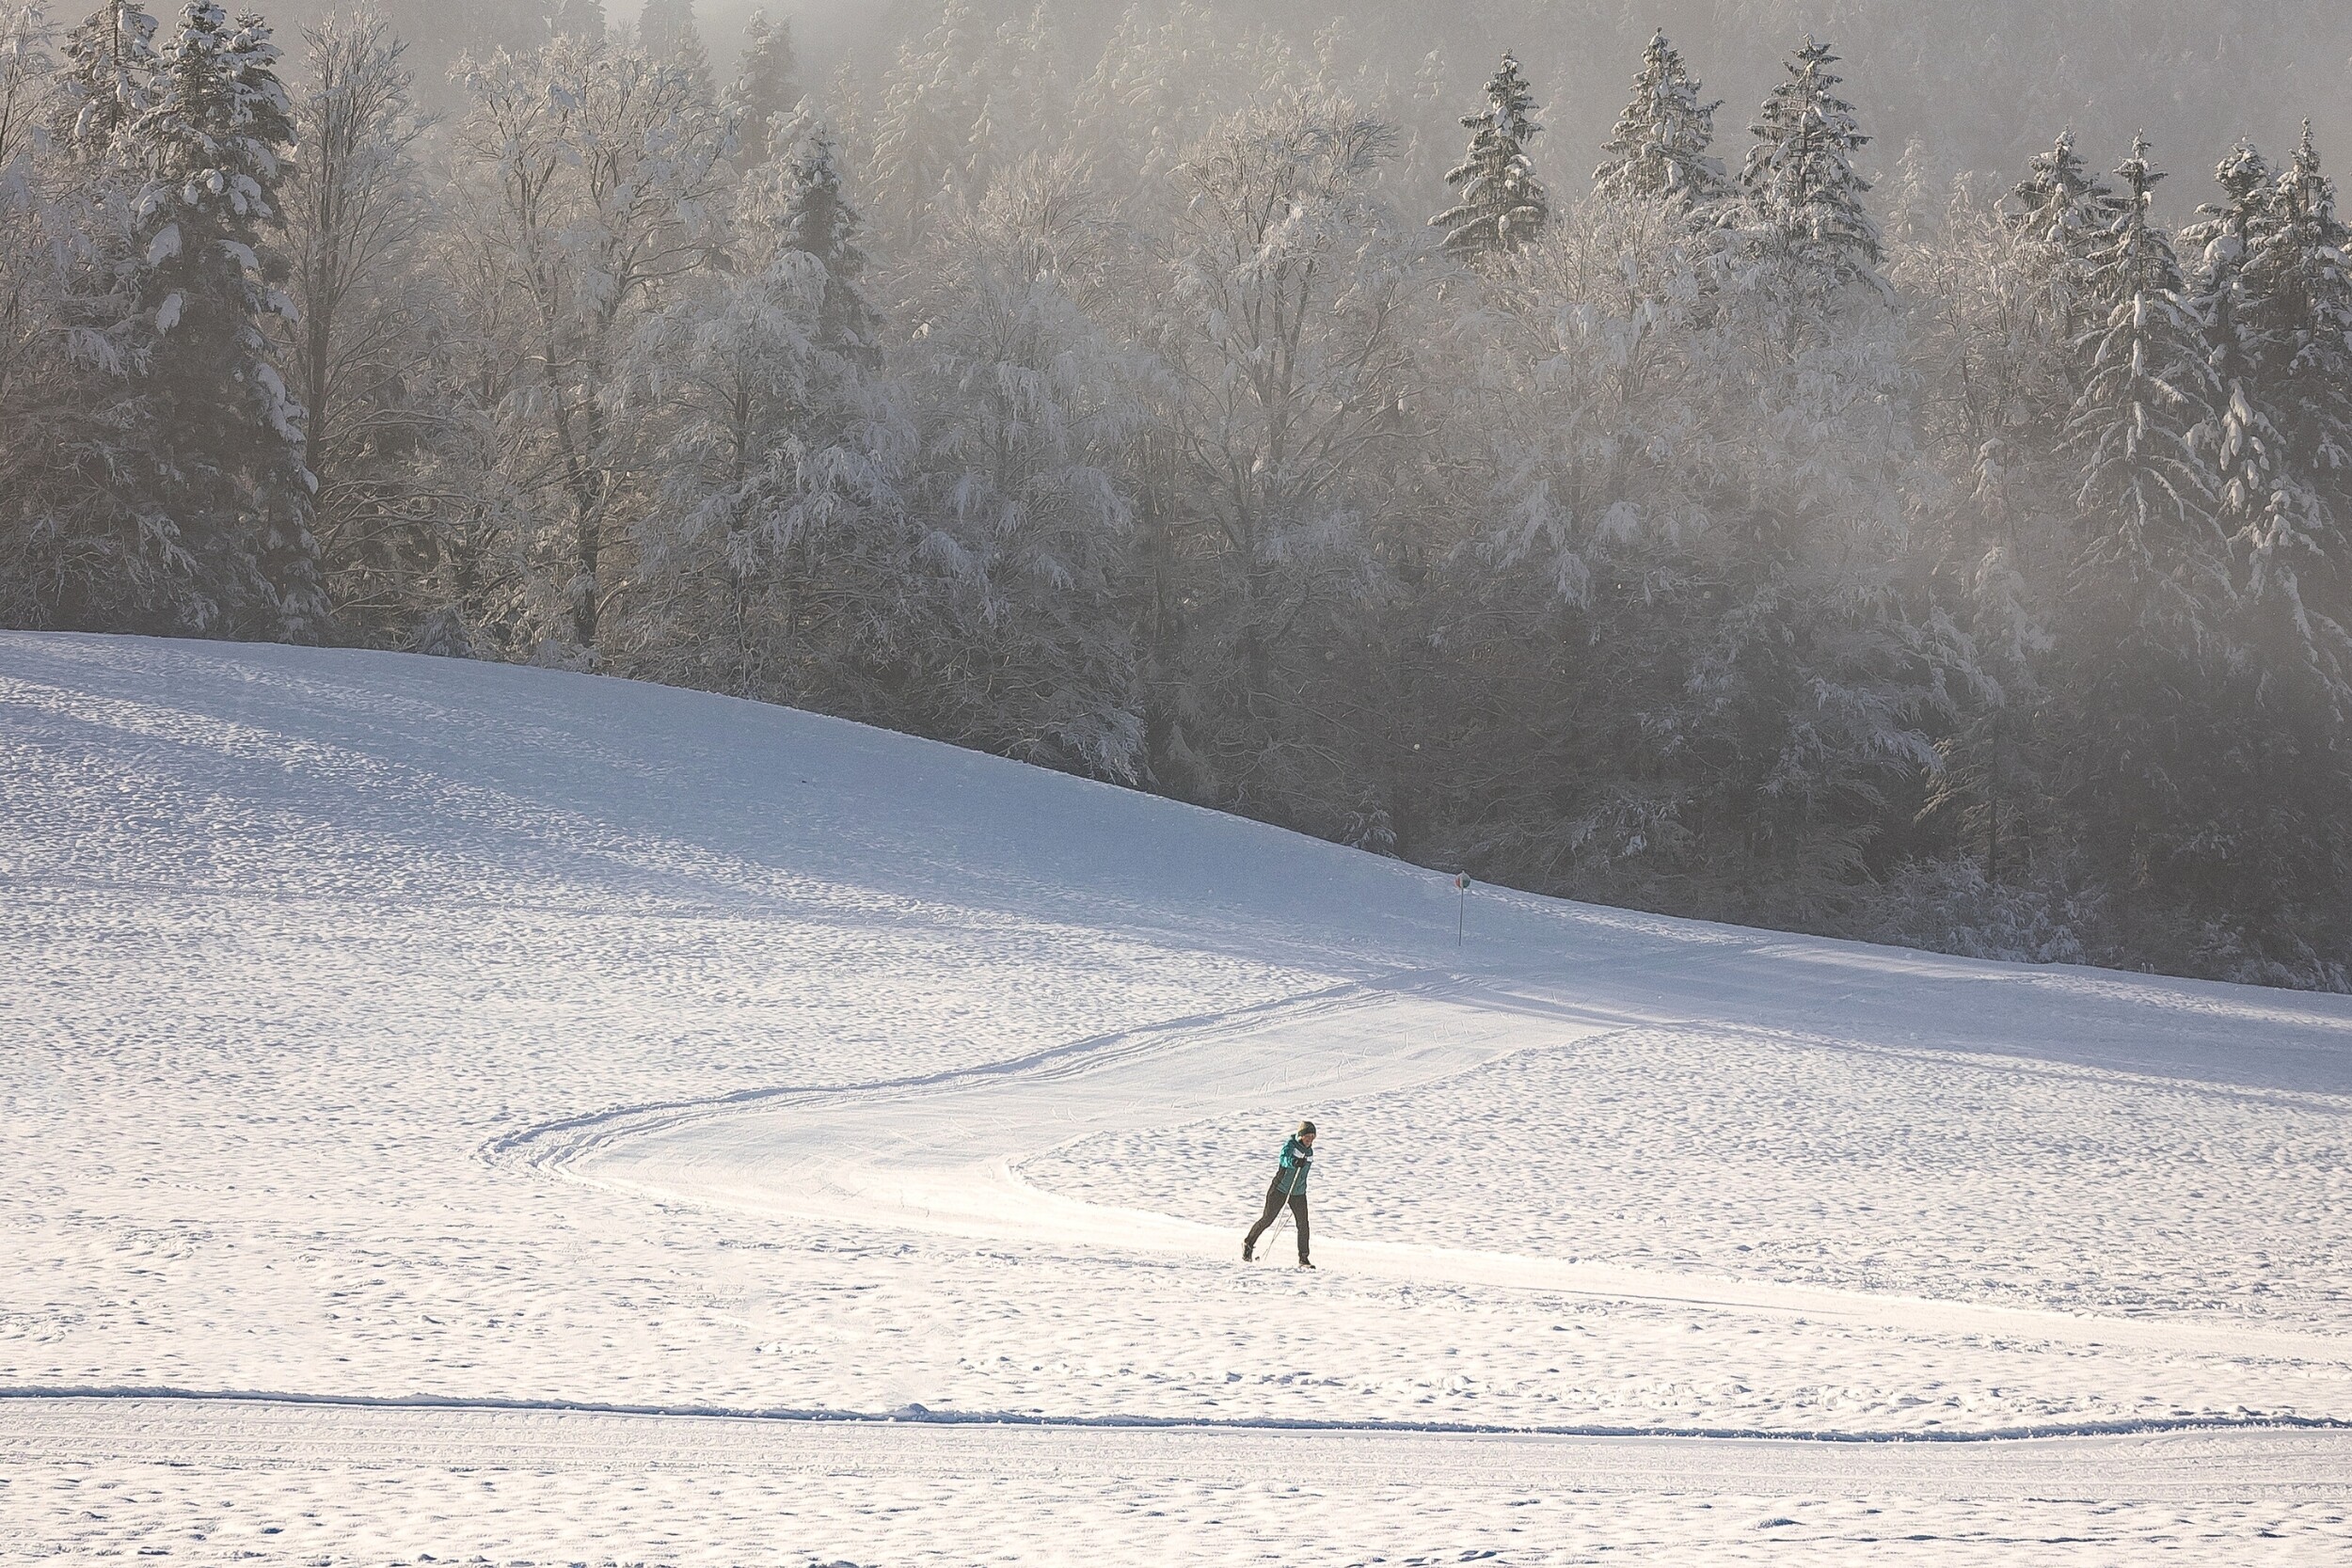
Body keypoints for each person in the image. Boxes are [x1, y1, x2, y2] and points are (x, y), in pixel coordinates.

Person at [1242, 1120, 1316, 1267]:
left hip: (1298, 1192)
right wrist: (1294, 1162)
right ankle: (1248, 1243)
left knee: (1303, 1224)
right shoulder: (1290, 1145)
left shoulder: (1310, 1152)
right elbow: (1284, 1159)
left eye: (1313, 1137)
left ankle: (1303, 1258)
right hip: (1280, 1189)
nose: (1310, 1140)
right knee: (1267, 1219)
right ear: (1301, 1135)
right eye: (1308, 1136)